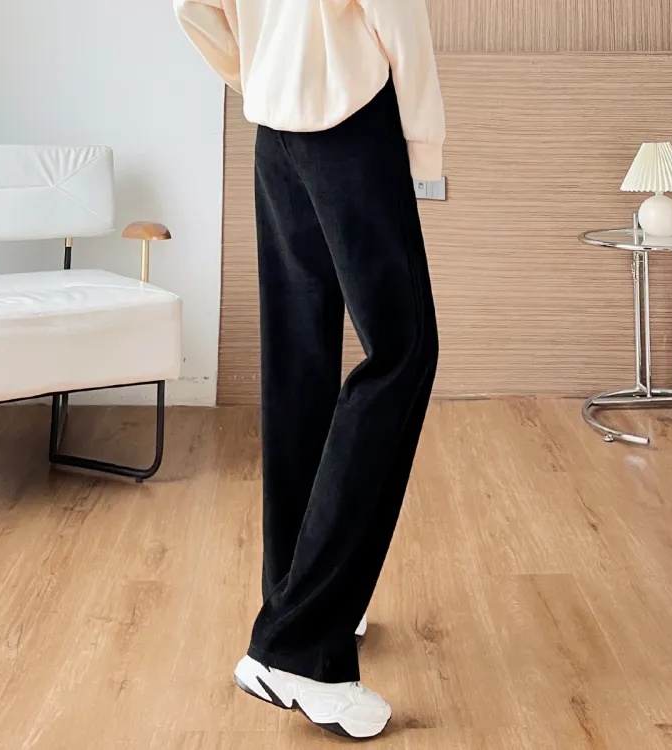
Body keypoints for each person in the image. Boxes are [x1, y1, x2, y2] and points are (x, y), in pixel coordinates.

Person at [175, 0, 444, 739]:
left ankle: (296, 595)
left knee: (299, 367)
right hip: (350, 120)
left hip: (276, 130)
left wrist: (262, 73)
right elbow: (398, 15)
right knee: (402, 352)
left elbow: (194, 8)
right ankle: (300, 647)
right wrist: (423, 146)